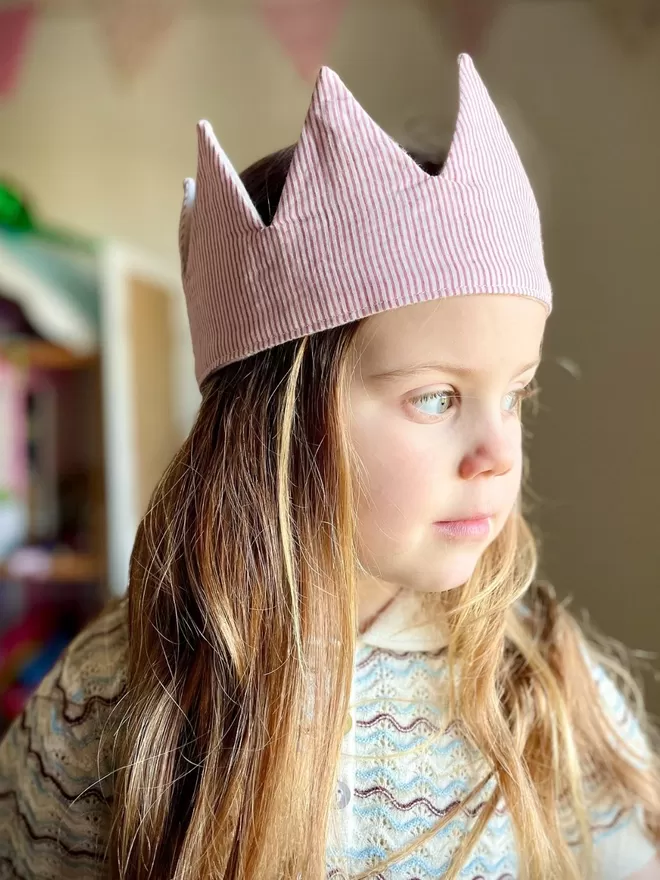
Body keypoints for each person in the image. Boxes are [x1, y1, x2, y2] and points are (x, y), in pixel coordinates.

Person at [1, 54, 659, 880]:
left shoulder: (544, 690)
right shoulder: (111, 704)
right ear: (274, 430)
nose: (499, 453)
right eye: (436, 399)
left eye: (516, 395)